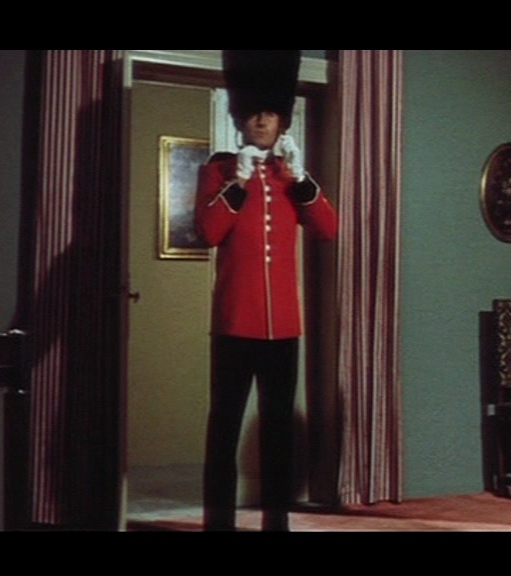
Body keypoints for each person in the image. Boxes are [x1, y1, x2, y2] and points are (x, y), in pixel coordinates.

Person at [195, 50, 338, 531]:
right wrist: (236, 182)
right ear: (240, 118)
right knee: (223, 429)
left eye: (270, 113)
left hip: (283, 329)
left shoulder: (289, 174)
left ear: (282, 120)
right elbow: (209, 232)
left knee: (278, 435)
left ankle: (277, 524)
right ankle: (217, 524)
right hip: (234, 324)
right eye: (254, 112)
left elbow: (328, 228)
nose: (261, 120)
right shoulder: (218, 169)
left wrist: (301, 180)